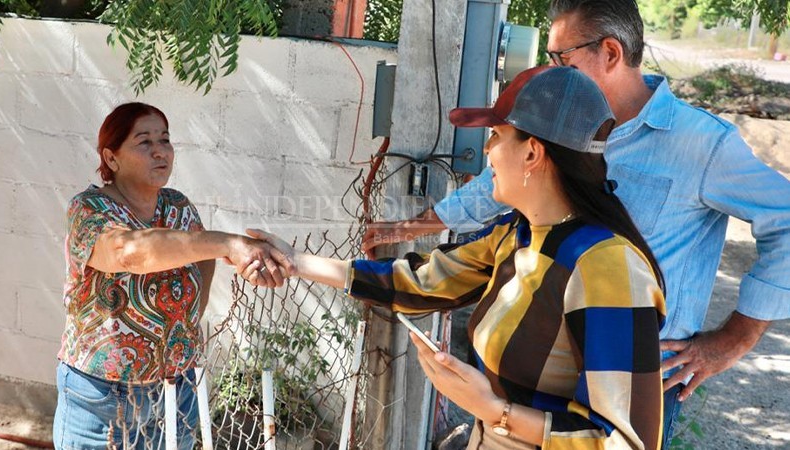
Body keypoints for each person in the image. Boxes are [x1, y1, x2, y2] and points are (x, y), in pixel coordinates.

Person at [363, 1, 790, 446]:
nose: (550, 68)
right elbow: (500, 178)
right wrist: (416, 226)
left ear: (610, 52)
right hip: (538, 367)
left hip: (623, 386)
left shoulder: (701, 145)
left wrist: (733, 340)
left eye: (560, 57)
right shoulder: (563, 116)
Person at [248, 66, 666, 449]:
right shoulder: (516, 233)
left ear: (532, 153)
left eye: (498, 136)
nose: (487, 149)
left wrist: (495, 411)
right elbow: (421, 280)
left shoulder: (606, 266)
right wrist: (295, 262)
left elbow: (627, 442)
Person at [53, 102, 292, 450]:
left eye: (164, 140)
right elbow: (129, 252)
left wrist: (192, 314)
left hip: (176, 390)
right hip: (103, 397)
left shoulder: (177, 206)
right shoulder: (89, 210)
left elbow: (201, 253)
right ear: (112, 158)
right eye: (144, 142)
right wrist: (229, 243)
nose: (159, 151)